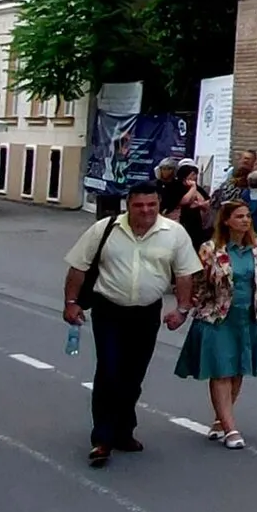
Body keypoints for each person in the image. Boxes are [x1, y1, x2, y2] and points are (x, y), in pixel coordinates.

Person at [62, 173, 200, 468]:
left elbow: (184, 273)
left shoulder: (174, 233)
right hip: (109, 308)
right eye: (139, 205)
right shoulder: (105, 229)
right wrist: (71, 303)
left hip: (146, 312)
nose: (146, 211)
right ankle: (102, 438)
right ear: (129, 206)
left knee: (133, 375)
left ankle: (124, 430)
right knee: (109, 370)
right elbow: (78, 267)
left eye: (152, 204)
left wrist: (182, 309)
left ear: (159, 204)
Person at [174, 196, 257, 448]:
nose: (245, 221)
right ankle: (231, 429)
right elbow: (196, 282)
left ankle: (221, 419)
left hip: (249, 315)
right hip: (217, 317)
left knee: (238, 368)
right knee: (221, 370)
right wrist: (186, 307)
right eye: (239, 216)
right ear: (227, 221)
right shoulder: (211, 249)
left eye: (247, 216)